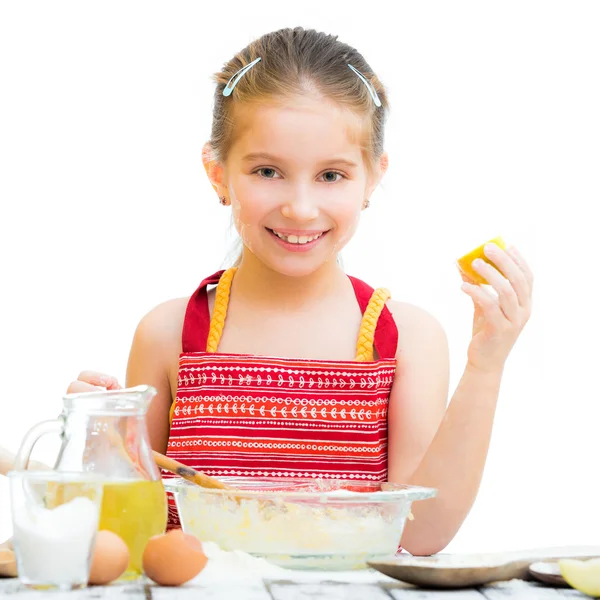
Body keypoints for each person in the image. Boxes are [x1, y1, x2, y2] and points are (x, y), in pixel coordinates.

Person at [65, 27, 533, 555]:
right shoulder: (169, 334)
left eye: (332, 175)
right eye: (268, 171)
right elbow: (133, 532)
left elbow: (419, 532)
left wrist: (487, 364)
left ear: (373, 179)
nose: (301, 208)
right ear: (216, 172)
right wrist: (103, 442)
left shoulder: (404, 338)